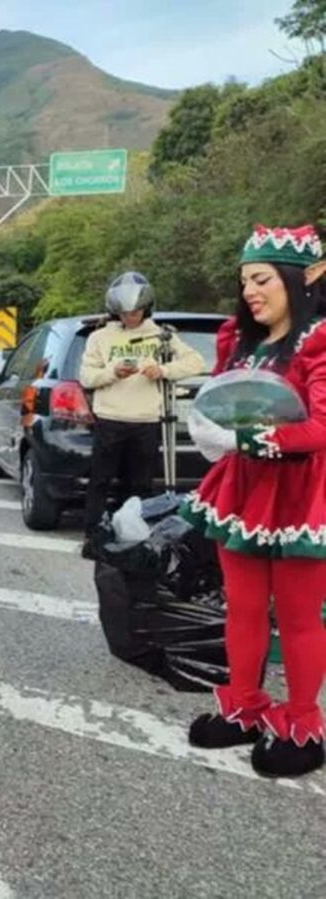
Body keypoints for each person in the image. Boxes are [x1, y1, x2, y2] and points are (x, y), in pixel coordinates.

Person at [181, 224, 326, 779]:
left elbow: (320, 426)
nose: (250, 292)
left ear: (303, 278)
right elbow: (223, 401)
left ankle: (304, 723)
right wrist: (210, 427)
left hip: (303, 492)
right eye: (244, 281)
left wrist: (247, 439)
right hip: (244, 487)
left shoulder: (318, 341)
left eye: (262, 279)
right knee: (241, 605)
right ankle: (244, 704)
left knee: (298, 617)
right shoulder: (240, 341)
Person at [79, 271, 204, 547]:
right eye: (124, 313)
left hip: (146, 420)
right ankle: (93, 534)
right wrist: (113, 372)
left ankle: (134, 536)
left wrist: (162, 370)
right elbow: (87, 377)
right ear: (115, 312)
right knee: (100, 480)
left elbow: (195, 362)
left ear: (145, 309)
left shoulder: (160, 335)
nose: (130, 318)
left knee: (140, 484)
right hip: (110, 418)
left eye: (135, 312)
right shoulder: (99, 338)